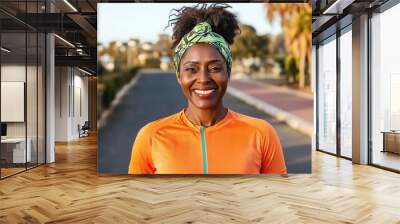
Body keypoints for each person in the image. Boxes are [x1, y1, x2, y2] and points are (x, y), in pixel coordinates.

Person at [128, 4, 287, 174]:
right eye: (191, 69)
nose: (203, 79)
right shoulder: (150, 137)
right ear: (179, 75)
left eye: (215, 68)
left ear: (228, 73)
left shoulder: (262, 133)